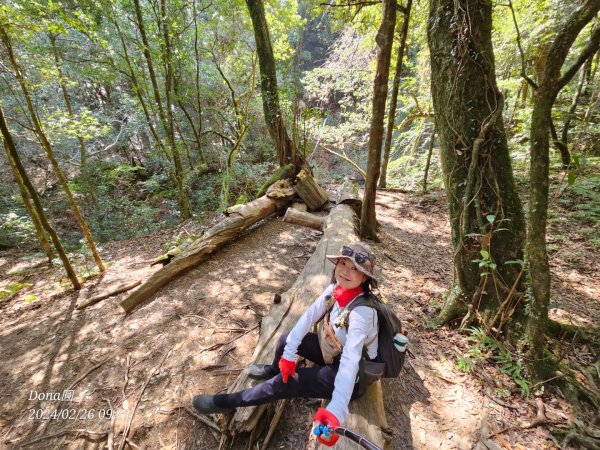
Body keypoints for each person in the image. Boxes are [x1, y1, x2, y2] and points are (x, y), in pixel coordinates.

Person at [192, 242, 379, 447]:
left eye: (355, 269)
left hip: (352, 376)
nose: (345, 271)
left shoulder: (363, 314)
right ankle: (274, 369)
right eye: (343, 263)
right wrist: (288, 356)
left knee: (286, 383)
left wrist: (336, 410)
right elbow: (307, 318)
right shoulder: (336, 290)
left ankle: (229, 402)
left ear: (365, 278)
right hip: (332, 350)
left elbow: (350, 363)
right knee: (284, 340)